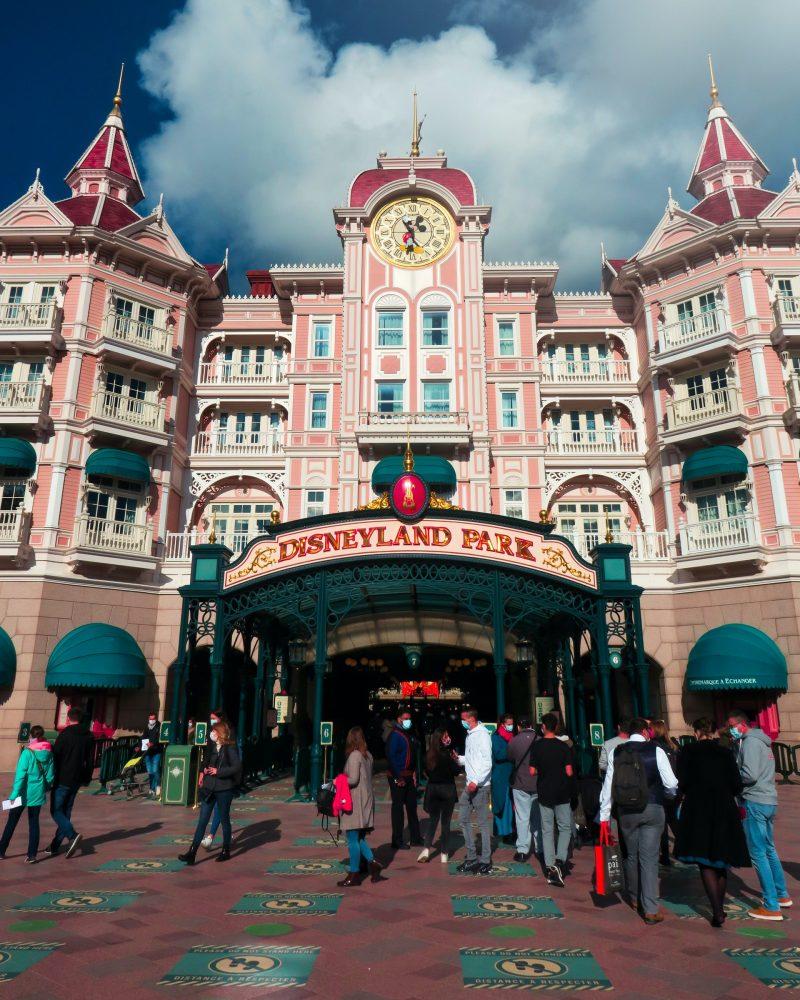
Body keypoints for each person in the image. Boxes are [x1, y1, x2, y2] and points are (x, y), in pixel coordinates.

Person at [599, 717, 678, 924]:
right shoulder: (656, 750)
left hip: (626, 810)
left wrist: (604, 815)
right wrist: (667, 796)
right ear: (645, 732)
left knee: (631, 855)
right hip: (652, 807)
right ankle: (650, 908)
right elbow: (671, 782)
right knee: (649, 858)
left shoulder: (618, 751)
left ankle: (634, 898)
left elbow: (609, 784)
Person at [674, 717, 750, 927]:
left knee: (704, 859)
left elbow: (683, 781)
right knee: (721, 859)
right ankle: (720, 909)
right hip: (724, 808)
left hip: (698, 809)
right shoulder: (725, 752)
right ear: (714, 731)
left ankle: (717, 910)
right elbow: (736, 784)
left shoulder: (688, 752)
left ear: (697, 731)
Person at [728, 710, 791, 920]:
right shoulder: (764, 742)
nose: (730, 730)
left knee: (758, 853)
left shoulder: (750, 743)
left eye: (731, 725)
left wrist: (733, 777)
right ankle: (781, 894)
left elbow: (750, 774)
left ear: (742, 725)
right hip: (769, 798)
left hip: (755, 800)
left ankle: (771, 904)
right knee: (769, 849)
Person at [179, 721, 241, 865]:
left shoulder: (230, 747)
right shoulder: (213, 746)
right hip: (209, 787)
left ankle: (226, 850)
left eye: (214, 731)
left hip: (224, 788)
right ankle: (192, 852)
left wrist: (219, 771)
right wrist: (205, 770)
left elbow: (236, 766)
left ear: (220, 733)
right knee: (202, 820)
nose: (211, 734)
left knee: (224, 818)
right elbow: (207, 762)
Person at [529, 712, 574, 886]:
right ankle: (561, 859)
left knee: (546, 829)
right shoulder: (563, 747)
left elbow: (532, 771)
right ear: (556, 727)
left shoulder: (537, 747)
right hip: (562, 791)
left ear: (543, 727)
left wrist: (544, 771)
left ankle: (549, 865)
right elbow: (569, 771)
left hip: (545, 792)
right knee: (564, 828)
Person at [0, 725, 54, 863]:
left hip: (22, 793)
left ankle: (1, 851)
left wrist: (13, 795)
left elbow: (20, 777)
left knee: (12, 822)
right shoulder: (48, 752)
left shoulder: (27, 753)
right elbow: (50, 776)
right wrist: (43, 787)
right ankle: (32, 855)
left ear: (31, 736)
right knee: (34, 823)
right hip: (37, 793)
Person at [337, 726, 383, 886]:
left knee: (352, 838)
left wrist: (338, 780)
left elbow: (353, 779)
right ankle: (373, 863)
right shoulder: (367, 755)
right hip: (366, 800)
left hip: (355, 802)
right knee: (359, 837)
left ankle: (354, 873)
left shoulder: (354, 756)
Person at [46, 706, 93, 858]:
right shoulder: (88, 736)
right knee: (66, 811)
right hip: (77, 778)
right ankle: (55, 845)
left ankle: (72, 835)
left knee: (56, 810)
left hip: (63, 777)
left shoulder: (64, 735)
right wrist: (87, 777)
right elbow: (90, 760)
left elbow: (56, 757)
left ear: (69, 718)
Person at [455, 706, 493, 875]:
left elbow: (487, 762)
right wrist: (459, 759)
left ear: (471, 719)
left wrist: (476, 781)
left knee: (483, 823)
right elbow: (472, 758)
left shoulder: (483, 735)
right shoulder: (470, 735)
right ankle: (471, 857)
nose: (462, 722)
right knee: (463, 819)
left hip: (480, 785)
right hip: (470, 784)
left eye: (464, 719)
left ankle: (485, 860)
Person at [418, 727, 460, 863]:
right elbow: (456, 771)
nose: (448, 738)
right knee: (445, 823)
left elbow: (426, 772)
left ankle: (426, 849)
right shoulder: (447, 755)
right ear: (440, 739)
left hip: (433, 790)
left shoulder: (428, 755)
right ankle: (444, 853)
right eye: (445, 736)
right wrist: (455, 759)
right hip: (447, 789)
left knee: (432, 821)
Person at [386, 709, 421, 850]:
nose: (408, 721)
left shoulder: (408, 733)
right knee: (398, 808)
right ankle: (397, 840)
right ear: (399, 719)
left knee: (412, 806)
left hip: (408, 775)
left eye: (409, 718)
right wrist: (397, 776)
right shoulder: (395, 735)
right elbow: (391, 756)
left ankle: (415, 837)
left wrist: (413, 773)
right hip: (398, 775)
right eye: (406, 718)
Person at [507, 716, 541, 862]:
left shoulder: (514, 740)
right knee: (537, 817)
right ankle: (540, 848)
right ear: (531, 725)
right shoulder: (540, 739)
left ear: (519, 727)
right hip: (538, 783)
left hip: (521, 783)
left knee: (522, 817)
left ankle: (522, 850)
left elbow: (510, 757)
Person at [201, 709, 233, 849]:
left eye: (213, 718)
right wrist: (202, 771)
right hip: (211, 777)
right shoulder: (212, 734)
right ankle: (225, 835)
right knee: (218, 811)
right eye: (210, 718)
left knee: (220, 810)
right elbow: (207, 753)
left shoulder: (227, 733)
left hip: (223, 780)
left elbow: (234, 762)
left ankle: (211, 836)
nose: (211, 721)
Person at [651, 719, 680, 866]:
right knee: (673, 819)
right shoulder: (673, 745)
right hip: (675, 789)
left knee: (662, 823)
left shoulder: (654, 746)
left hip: (661, 788)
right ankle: (681, 847)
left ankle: (665, 855)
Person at [491, 714, 515, 843]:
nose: (511, 726)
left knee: (510, 806)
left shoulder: (512, 737)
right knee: (502, 804)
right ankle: (504, 832)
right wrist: (513, 750)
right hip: (500, 776)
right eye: (509, 724)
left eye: (512, 723)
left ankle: (510, 832)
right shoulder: (496, 737)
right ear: (502, 724)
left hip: (510, 775)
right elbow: (499, 754)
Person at [141, 712, 162, 797]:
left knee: (155, 770)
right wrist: (140, 746)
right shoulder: (147, 727)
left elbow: (160, 738)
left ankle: (158, 785)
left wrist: (153, 744)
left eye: (153, 719)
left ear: (156, 719)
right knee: (150, 771)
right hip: (148, 752)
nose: (151, 720)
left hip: (156, 751)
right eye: (150, 719)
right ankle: (151, 788)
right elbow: (143, 737)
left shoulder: (159, 726)